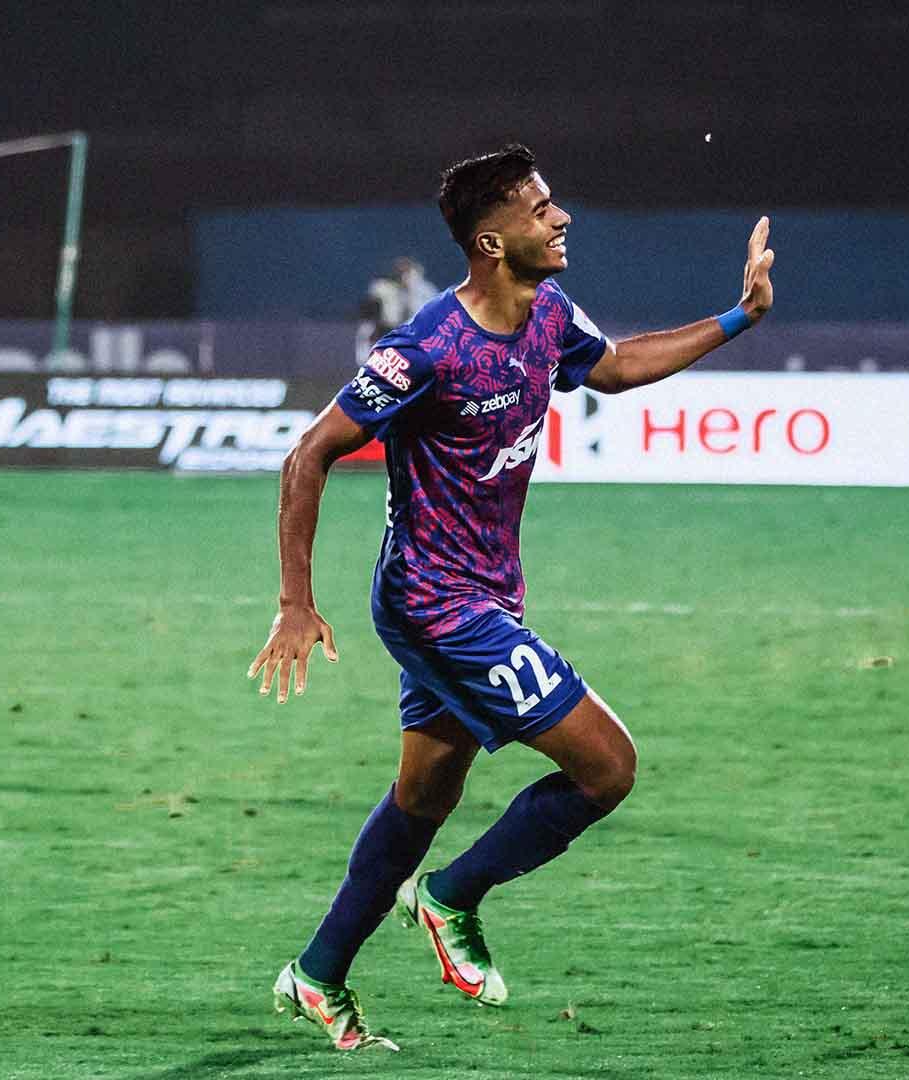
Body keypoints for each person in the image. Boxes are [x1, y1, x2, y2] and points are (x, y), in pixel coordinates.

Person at [249, 143, 774, 1050]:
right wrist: (296, 602)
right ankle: (451, 898)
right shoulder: (425, 350)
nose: (560, 217)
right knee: (607, 768)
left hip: (486, 594)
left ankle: (317, 973)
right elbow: (309, 453)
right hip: (434, 603)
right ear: (491, 242)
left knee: (424, 798)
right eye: (540, 209)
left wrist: (740, 316)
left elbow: (616, 366)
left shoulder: (547, 313)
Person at [354, 256, 438, 364]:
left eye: (406, 271)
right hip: (387, 328)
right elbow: (371, 308)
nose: (403, 274)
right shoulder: (384, 287)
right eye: (400, 271)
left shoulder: (425, 290)